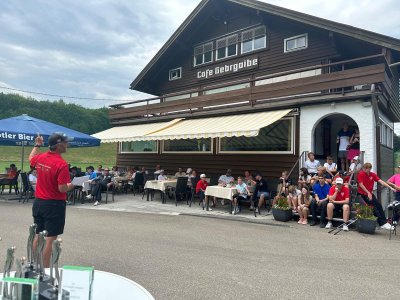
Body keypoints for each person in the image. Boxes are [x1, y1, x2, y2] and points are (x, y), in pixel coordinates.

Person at [29, 132, 74, 268]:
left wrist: (37, 144)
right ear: (59, 145)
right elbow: (61, 189)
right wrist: (71, 185)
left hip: (38, 202)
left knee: (38, 234)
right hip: (54, 204)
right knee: (50, 238)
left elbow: (30, 158)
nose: (67, 144)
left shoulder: (41, 157)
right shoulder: (61, 164)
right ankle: (46, 270)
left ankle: (35, 265)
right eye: (65, 142)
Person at [357, 163, 395, 230]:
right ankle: (382, 223)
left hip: (369, 194)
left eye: (368, 168)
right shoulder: (361, 174)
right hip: (362, 194)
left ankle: (384, 223)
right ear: (364, 168)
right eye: (365, 168)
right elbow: (361, 184)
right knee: (374, 208)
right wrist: (368, 192)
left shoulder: (373, 175)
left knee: (379, 205)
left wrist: (390, 187)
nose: (366, 170)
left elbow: (381, 182)